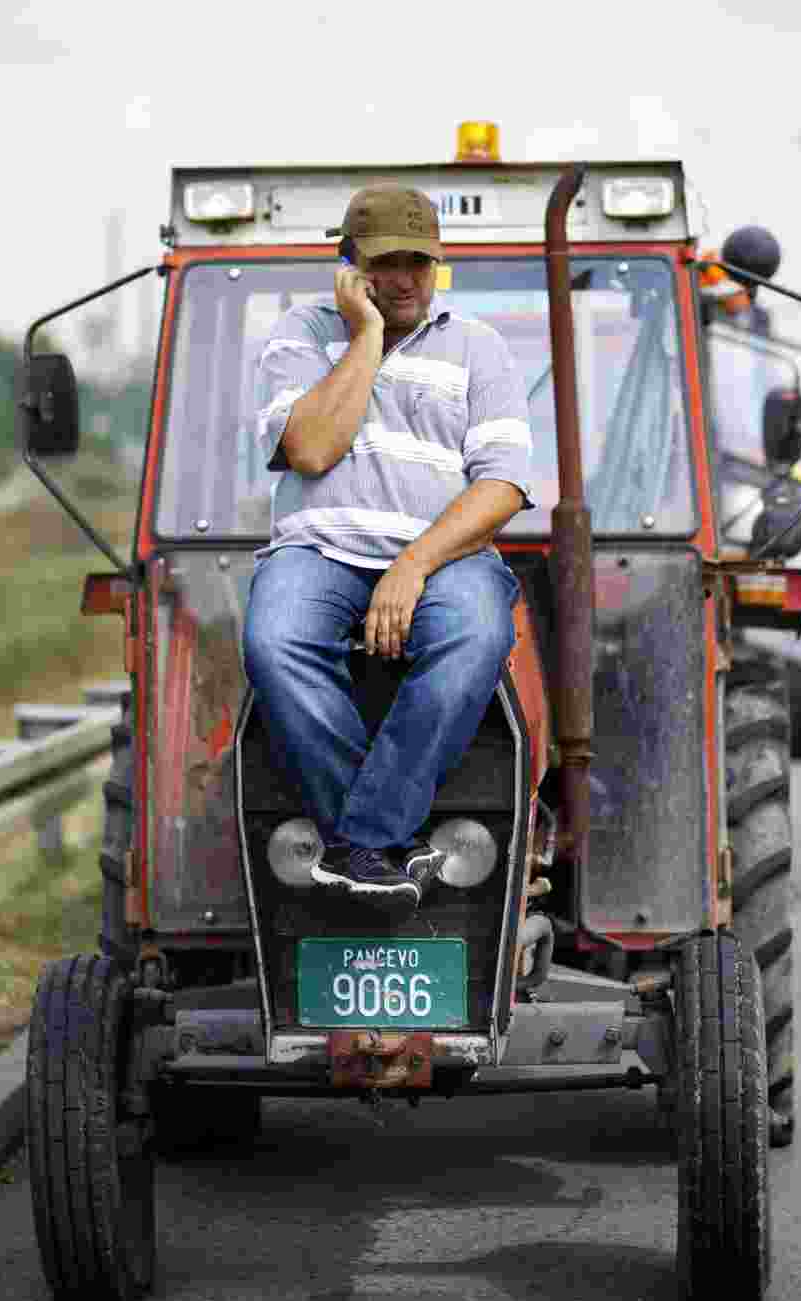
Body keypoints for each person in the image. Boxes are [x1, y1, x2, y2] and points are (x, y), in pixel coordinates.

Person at [244, 183, 533, 917]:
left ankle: (360, 842)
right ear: (349, 266)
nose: (404, 279)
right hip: (319, 551)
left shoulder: (479, 348)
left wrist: (412, 565)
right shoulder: (302, 336)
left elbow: (502, 486)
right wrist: (366, 336)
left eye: (419, 262)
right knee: (274, 641)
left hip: (443, 559)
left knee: (478, 636)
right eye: (385, 263)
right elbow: (312, 450)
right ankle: (384, 847)